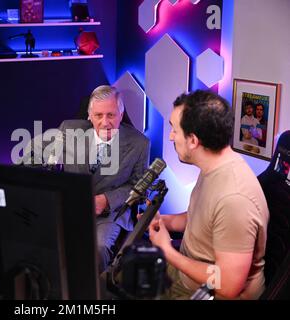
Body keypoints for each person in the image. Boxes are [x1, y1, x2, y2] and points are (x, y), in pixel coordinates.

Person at [149, 90, 269, 299]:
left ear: (193, 140)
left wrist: (167, 251)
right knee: (110, 280)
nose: (170, 136)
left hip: (206, 292)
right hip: (186, 274)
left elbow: (227, 285)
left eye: (174, 130)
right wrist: (164, 221)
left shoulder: (234, 199)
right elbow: (201, 219)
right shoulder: (213, 166)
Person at [23, 85, 150, 273]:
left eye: (111, 115)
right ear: (90, 115)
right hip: (71, 206)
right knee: (36, 238)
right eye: (99, 115)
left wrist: (107, 200)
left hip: (110, 214)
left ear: (121, 114)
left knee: (96, 250)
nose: (105, 122)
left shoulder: (139, 143)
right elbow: (34, 154)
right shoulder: (69, 130)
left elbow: (140, 188)